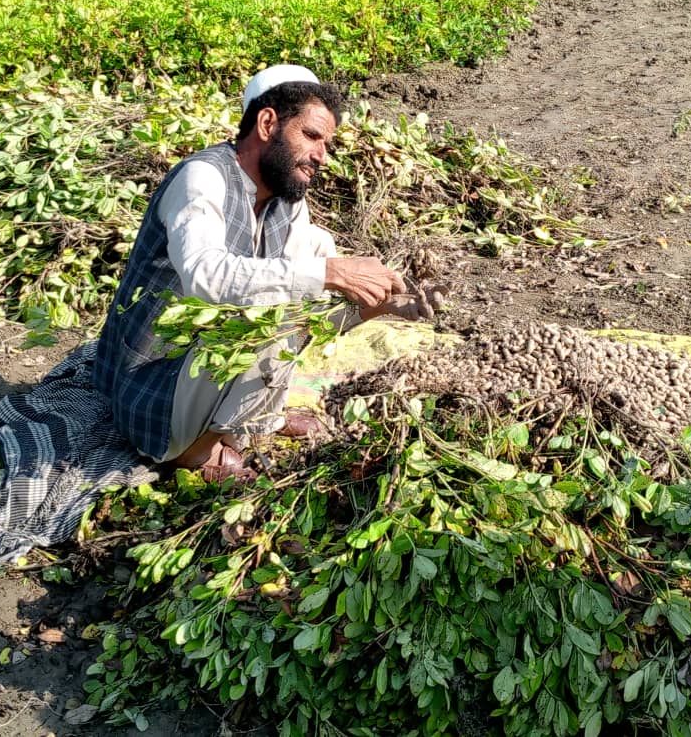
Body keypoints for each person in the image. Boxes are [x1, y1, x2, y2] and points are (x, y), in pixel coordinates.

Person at [92, 65, 441, 483]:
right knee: (278, 300)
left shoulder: (286, 201)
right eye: (311, 136)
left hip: (201, 370)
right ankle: (192, 454)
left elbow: (303, 303)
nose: (321, 156)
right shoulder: (201, 179)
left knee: (313, 255)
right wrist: (331, 273)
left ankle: (259, 418)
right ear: (267, 123)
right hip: (153, 387)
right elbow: (207, 277)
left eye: (326, 144)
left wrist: (379, 305)